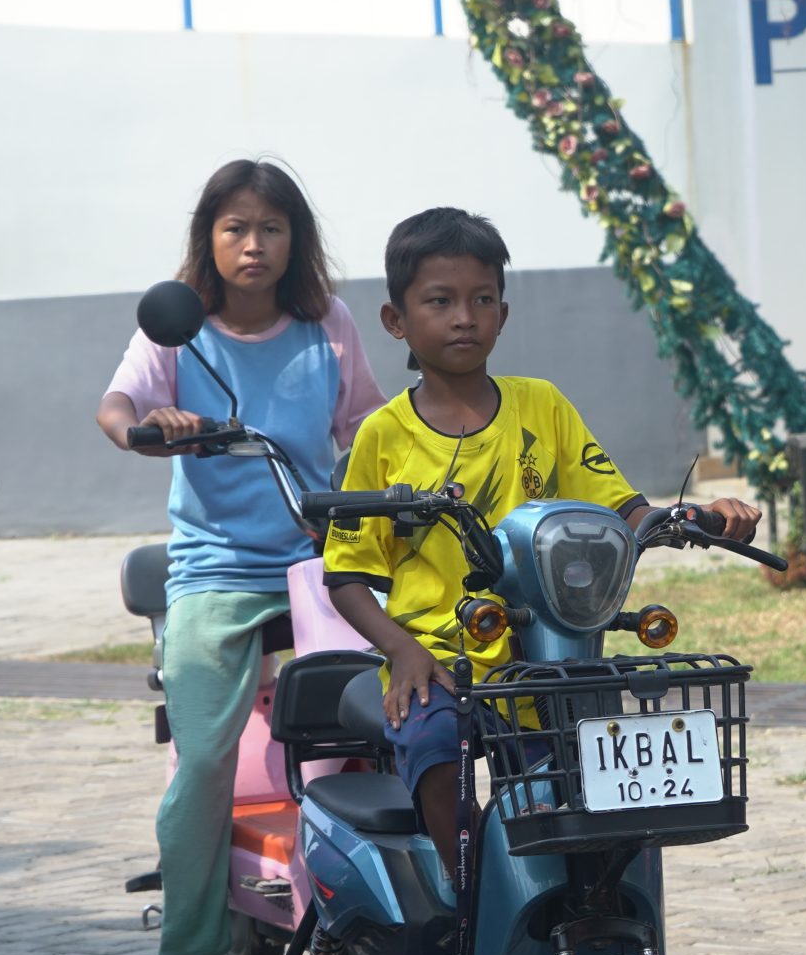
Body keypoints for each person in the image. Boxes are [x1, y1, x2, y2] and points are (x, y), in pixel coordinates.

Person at [321, 206, 761, 863]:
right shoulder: (383, 435)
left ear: (503, 311)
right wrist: (403, 651)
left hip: (552, 657)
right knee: (437, 749)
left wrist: (688, 516)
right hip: (442, 661)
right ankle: (461, 901)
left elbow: (622, 506)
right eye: (440, 301)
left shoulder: (542, 405)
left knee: (589, 789)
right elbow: (346, 576)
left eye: (482, 299)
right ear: (396, 319)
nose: (464, 316)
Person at [96, 160, 383, 955]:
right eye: (234, 228)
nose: (252, 245)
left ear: (295, 240)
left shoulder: (325, 324)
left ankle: (367, 928)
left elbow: (370, 428)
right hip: (214, 571)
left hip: (315, 558)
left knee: (375, 731)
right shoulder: (177, 330)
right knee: (203, 760)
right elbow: (117, 404)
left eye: (270, 228)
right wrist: (150, 429)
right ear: (208, 240)